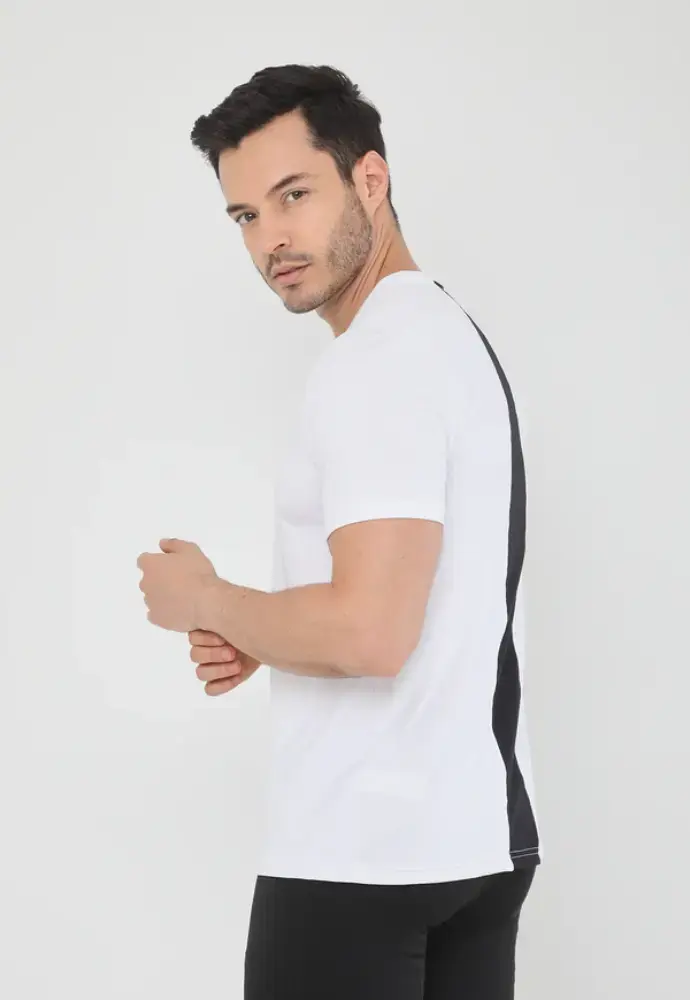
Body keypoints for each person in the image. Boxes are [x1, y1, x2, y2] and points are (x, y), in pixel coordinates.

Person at [188, 64, 540, 1000]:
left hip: (361, 856)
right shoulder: (448, 336)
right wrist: (264, 629)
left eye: (293, 195)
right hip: (474, 841)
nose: (270, 238)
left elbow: (370, 633)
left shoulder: (376, 362)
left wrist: (206, 599)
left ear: (370, 180)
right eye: (245, 215)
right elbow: (430, 592)